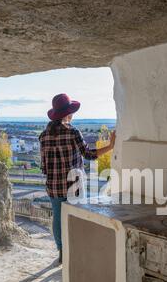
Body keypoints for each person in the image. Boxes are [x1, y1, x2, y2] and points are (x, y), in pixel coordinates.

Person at [39, 93, 116, 264]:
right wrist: (110, 146)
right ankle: (76, 251)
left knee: (58, 219)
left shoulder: (43, 136)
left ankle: (62, 251)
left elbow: (44, 166)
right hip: (74, 185)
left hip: (53, 186)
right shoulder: (73, 132)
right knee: (76, 218)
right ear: (68, 114)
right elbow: (89, 154)